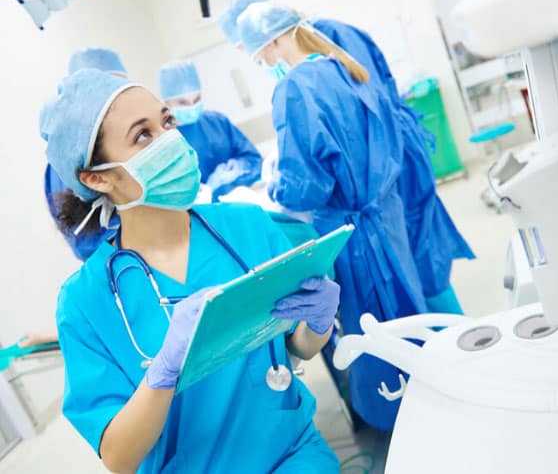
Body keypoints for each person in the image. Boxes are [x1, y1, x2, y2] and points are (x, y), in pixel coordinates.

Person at [43, 69, 340, 473]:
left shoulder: (248, 226)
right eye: (143, 135)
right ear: (98, 178)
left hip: (293, 455)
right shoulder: (85, 301)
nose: (171, 140)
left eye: (167, 121)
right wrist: (163, 374)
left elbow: (298, 347)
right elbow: (118, 457)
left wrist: (319, 322)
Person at [237, 2, 427, 431]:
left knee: (375, 331)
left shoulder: (295, 89)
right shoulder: (347, 68)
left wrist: (273, 186)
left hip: (355, 236)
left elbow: (307, 185)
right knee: (409, 315)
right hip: (385, 217)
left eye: (259, 55)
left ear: (273, 42)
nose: (264, 63)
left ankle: (403, 421)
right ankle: (432, 396)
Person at [312, 19, 475, 314]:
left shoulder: (326, 38)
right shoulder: (342, 36)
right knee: (420, 256)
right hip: (395, 146)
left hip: (394, 157)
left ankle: (454, 336)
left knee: (422, 259)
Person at [43, 47, 126, 261]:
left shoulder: (127, 138)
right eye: (108, 89)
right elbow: (83, 240)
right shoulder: (65, 163)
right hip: (121, 265)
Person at [158, 61, 263, 201]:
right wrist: (206, 191)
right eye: (183, 103)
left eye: (197, 99)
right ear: (166, 103)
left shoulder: (217, 122)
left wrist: (240, 166)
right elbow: (169, 195)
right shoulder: (163, 141)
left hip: (238, 205)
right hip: (200, 218)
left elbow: (254, 160)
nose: (192, 106)